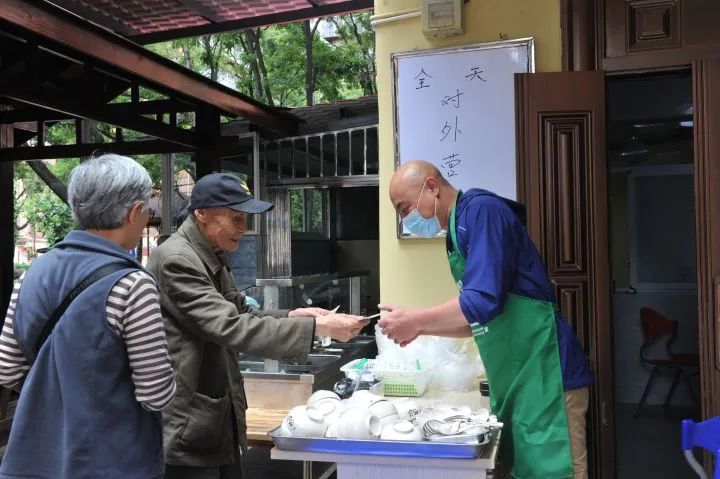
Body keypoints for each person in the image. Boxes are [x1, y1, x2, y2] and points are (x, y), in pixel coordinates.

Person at [379, 161, 593, 479]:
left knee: (556, 471)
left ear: (432, 186)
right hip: (518, 382)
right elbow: (476, 320)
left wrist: (416, 319)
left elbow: (481, 300)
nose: (404, 218)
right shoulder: (456, 231)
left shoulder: (481, 211)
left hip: (546, 375)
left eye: (404, 207)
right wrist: (419, 326)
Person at [147, 172, 368, 478]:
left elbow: (240, 311)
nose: (244, 228)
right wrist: (320, 329)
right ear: (202, 214)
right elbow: (232, 326)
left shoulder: (209, 252)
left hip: (214, 416)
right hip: (188, 422)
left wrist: (295, 317)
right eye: (236, 218)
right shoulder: (176, 260)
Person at [0, 154, 176, 479]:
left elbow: (8, 369)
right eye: (148, 210)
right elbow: (155, 393)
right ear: (135, 212)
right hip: (114, 461)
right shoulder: (132, 284)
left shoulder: (31, 273)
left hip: (35, 459)